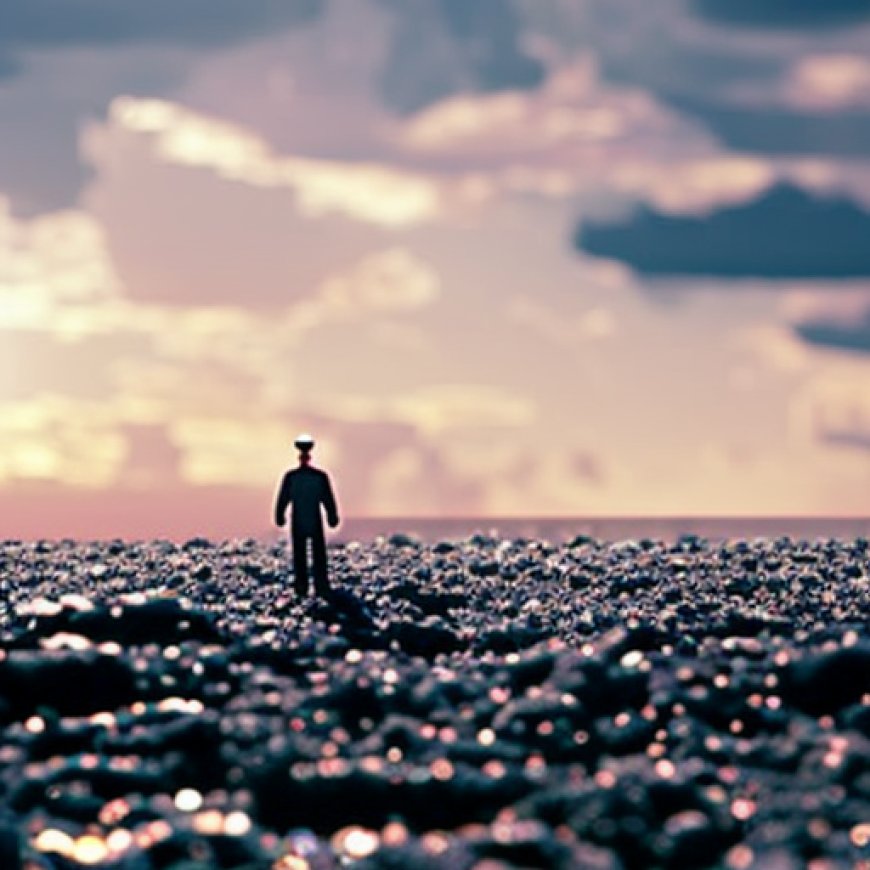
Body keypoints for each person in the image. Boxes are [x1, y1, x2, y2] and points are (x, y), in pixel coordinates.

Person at [274, 434, 340, 598]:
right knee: (310, 553)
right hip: (309, 518)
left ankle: (308, 585)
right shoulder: (316, 477)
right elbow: (327, 498)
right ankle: (315, 584)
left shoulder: (294, 477)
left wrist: (280, 514)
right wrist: (332, 515)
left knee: (304, 554)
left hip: (303, 519)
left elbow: (283, 498)